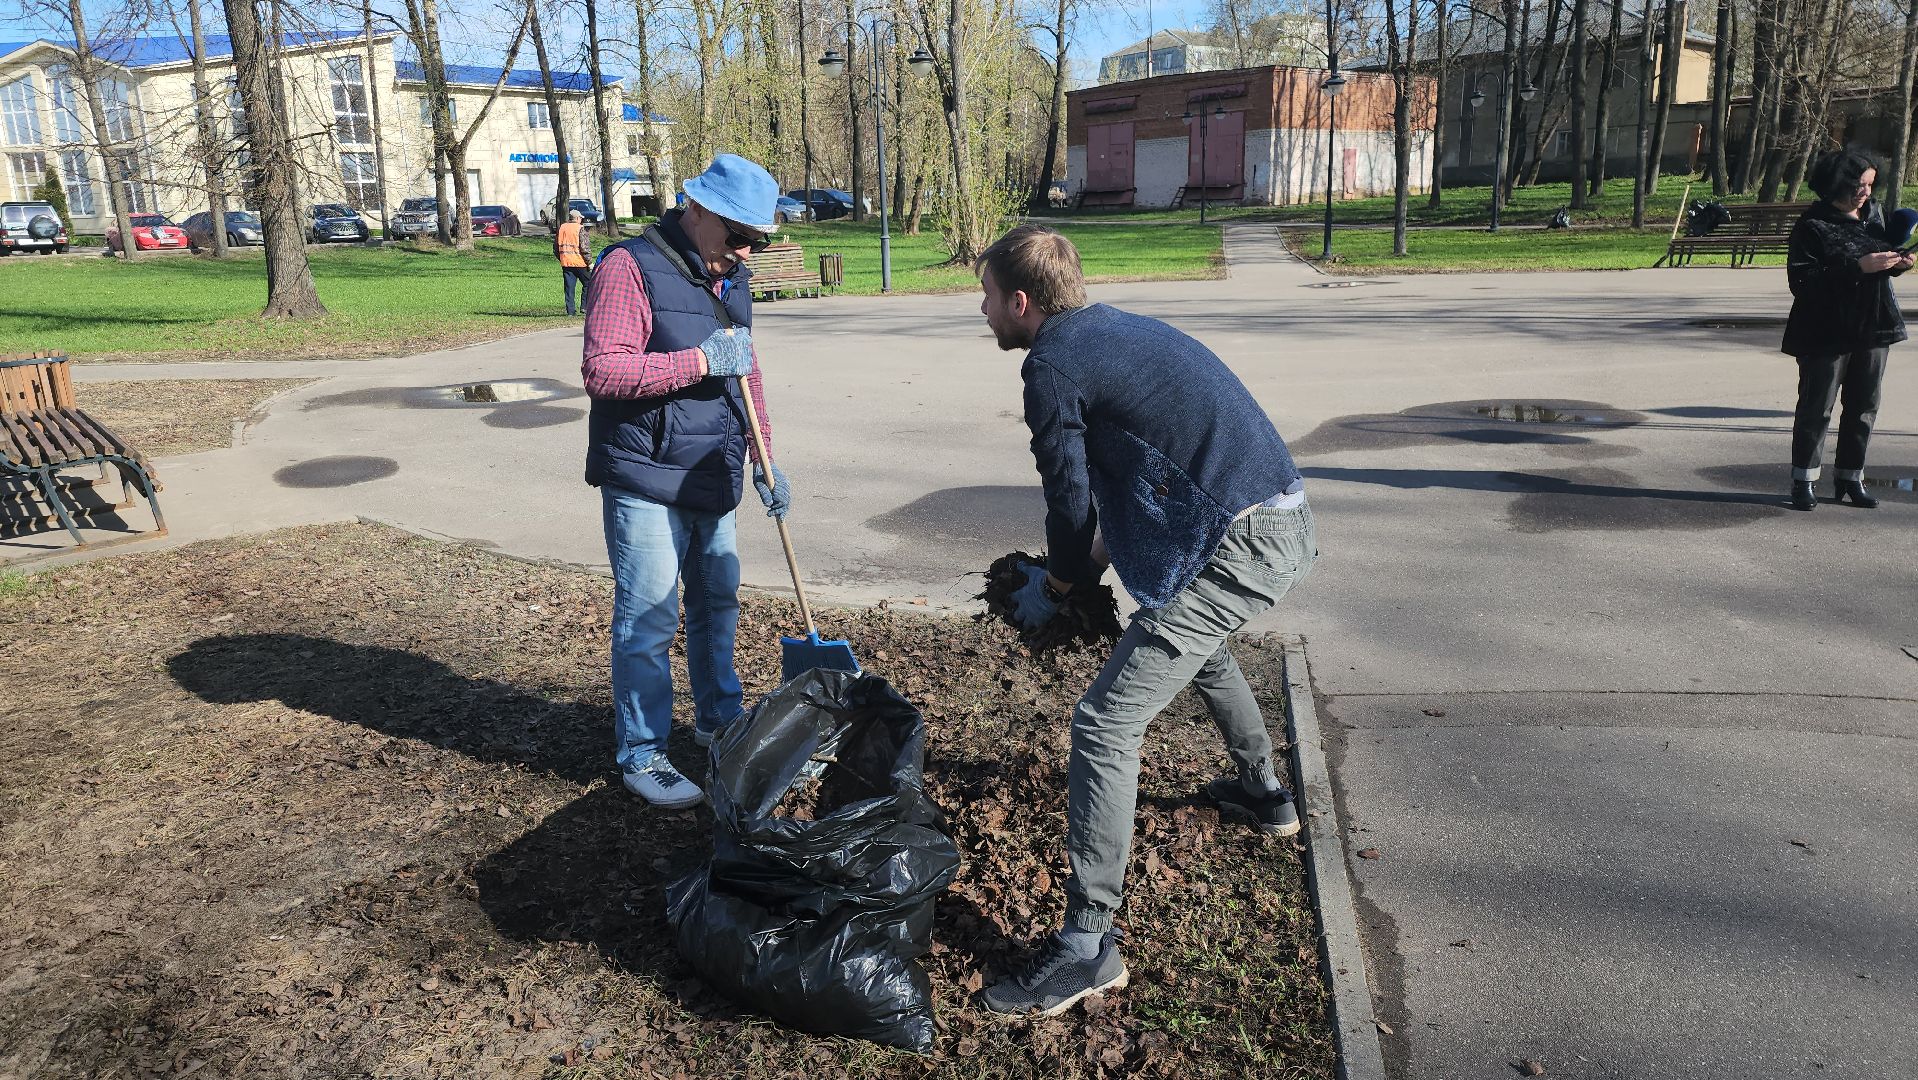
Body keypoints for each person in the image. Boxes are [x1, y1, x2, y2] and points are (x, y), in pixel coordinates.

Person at [971, 225, 1316, 1017]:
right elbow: (1099, 494)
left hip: (1242, 544)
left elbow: (1067, 498)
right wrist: (1078, 570)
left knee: (1103, 723)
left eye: (987, 296)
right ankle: (1266, 799)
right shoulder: (1113, 330)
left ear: (1021, 303)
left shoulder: (1051, 364)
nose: (982, 310)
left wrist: (1058, 583)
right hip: (1277, 520)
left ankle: (1087, 947)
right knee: (1200, 647)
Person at [580, 154, 790, 809]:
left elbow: (745, 373)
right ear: (696, 209)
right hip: (646, 476)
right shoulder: (629, 268)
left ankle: (717, 724)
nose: (747, 249)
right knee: (648, 620)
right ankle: (642, 752)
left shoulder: (734, 278)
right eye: (737, 235)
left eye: (757, 238)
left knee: (716, 606)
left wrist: (765, 457)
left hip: (714, 472)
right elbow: (603, 371)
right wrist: (697, 361)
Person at [1782, 148, 1912, 511]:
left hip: (1874, 325)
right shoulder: (1812, 224)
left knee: (1864, 407)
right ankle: (1804, 480)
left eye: (1871, 185)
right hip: (1824, 330)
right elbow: (1803, 282)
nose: (1866, 192)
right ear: (1836, 183)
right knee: (1816, 408)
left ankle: (1850, 477)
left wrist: (1896, 263)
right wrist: (1858, 267)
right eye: (1859, 184)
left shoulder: (1875, 215)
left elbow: (1878, 259)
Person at [555, 208, 594, 316]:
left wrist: (562, 257)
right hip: (580, 262)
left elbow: (555, 248)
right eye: (580, 218)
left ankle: (570, 312)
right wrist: (589, 262)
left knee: (569, 288)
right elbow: (584, 247)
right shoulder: (580, 229)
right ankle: (584, 307)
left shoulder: (562, 228)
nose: (581, 220)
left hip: (566, 263)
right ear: (577, 218)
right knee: (589, 283)